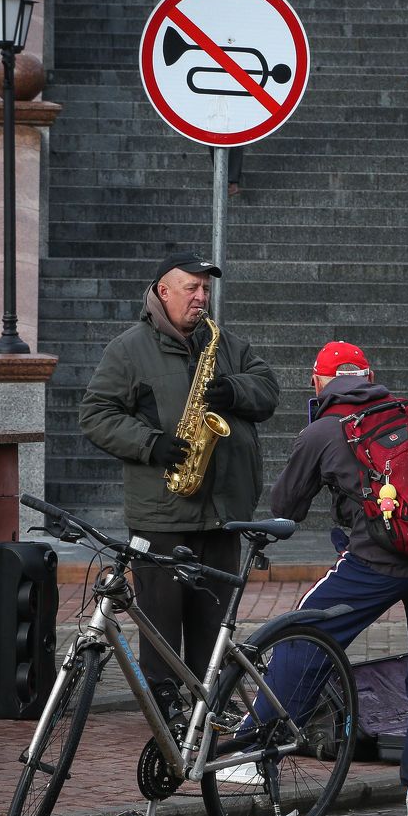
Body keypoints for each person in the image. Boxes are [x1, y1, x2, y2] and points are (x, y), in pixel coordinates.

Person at [269, 341, 408, 816]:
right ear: (369, 376)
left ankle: (253, 751)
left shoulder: (323, 431)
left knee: (302, 639)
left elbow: (285, 507)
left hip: (373, 564)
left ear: (317, 382)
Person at [79, 249, 279, 722]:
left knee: (214, 621)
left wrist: (232, 390)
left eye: (205, 289)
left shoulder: (222, 342)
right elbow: (95, 414)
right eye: (192, 288)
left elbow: (268, 388)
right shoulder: (128, 349)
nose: (201, 297)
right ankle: (165, 705)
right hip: (163, 512)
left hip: (222, 511)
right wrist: (150, 443)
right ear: (162, 292)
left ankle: (212, 700)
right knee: (161, 622)